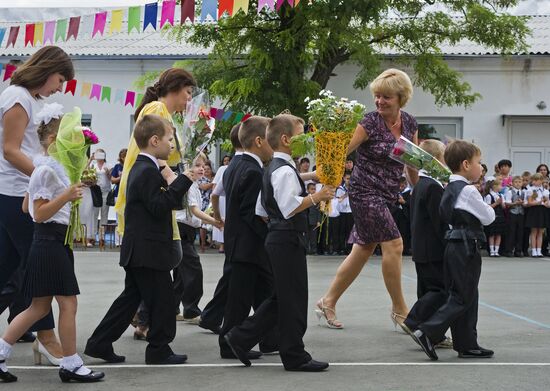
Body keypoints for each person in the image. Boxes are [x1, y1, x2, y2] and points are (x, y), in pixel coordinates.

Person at [0, 108, 104, 383]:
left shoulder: (44, 169)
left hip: (48, 242)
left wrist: (61, 192)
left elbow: (26, 206)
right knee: (67, 304)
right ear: (55, 139)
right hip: (49, 241)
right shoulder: (46, 170)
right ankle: (71, 363)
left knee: (38, 308)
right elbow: (40, 213)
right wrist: (66, 196)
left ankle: (0, 354)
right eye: (70, 137)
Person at [224, 114, 334, 372]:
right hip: (286, 238)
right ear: (286, 139)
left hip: (277, 237)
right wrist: (318, 196)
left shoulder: (272, 167)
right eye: (301, 133)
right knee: (293, 299)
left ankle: (241, 338)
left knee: (282, 298)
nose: (305, 139)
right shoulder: (284, 170)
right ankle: (294, 354)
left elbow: (262, 210)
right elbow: (289, 207)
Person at [84, 115, 196, 365]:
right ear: (154, 140)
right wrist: (184, 180)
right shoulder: (145, 170)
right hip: (148, 250)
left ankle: (99, 342)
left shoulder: (144, 167)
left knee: (130, 300)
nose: (172, 145)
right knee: (164, 300)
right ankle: (159, 349)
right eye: (169, 139)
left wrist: (174, 180)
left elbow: (167, 202)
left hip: (142, 249)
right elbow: (160, 206)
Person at [316, 68, 417, 330]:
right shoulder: (369, 122)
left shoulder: (410, 123)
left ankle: (328, 301)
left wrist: (419, 190)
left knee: (363, 249)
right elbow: (341, 152)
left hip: (389, 193)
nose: (380, 102)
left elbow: (413, 161)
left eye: (386, 97)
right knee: (394, 244)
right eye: (377, 96)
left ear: (401, 97)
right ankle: (400, 310)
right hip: (364, 191)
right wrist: (325, 174)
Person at [0, 45, 73, 366]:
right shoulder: (17, 98)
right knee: (38, 267)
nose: (60, 87)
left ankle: (26, 332)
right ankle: (46, 337)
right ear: (46, 70)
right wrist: (47, 177)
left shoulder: (24, 98)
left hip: (15, 194)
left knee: (8, 270)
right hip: (16, 195)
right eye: (59, 79)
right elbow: (10, 150)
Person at [114, 67, 197, 337]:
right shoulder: (158, 110)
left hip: (148, 190)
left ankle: (142, 318)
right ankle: (146, 318)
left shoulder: (161, 111)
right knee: (166, 258)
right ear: (174, 88)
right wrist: (180, 180)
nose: (188, 100)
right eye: (187, 93)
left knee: (153, 266)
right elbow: (158, 156)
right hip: (149, 192)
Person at [410, 140, 495, 361]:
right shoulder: (468, 190)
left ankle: (467, 343)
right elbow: (488, 217)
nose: (481, 167)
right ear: (466, 164)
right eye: (479, 162)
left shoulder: (448, 186)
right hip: (466, 244)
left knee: (468, 295)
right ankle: (428, 332)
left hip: (454, 244)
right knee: (462, 297)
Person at [218, 116, 276, 361]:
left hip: (237, 243)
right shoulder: (252, 171)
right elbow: (250, 213)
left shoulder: (237, 164)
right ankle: (229, 342)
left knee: (262, 292)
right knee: (240, 300)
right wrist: (269, 235)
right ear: (259, 141)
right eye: (271, 139)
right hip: (248, 245)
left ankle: (269, 338)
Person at [402, 139, 452, 348]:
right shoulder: (433, 187)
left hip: (421, 248)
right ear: (437, 159)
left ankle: (432, 333)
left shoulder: (420, 185)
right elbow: (438, 222)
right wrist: (448, 242)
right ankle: (414, 321)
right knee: (441, 290)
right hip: (433, 249)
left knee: (426, 290)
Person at [199, 124, 244, 334]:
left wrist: (217, 216)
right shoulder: (242, 165)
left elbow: (216, 194)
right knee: (235, 276)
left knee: (231, 276)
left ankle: (210, 316)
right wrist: (216, 217)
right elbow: (215, 194)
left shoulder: (228, 168)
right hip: (241, 228)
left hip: (231, 224)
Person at [174, 154, 223, 324]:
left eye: (204, 165)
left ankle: (174, 307)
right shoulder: (189, 185)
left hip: (186, 229)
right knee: (193, 269)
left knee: (181, 273)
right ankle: (191, 310)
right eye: (197, 165)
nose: (202, 168)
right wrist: (216, 222)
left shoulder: (194, 185)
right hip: (182, 228)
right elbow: (194, 211)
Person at [523, 173, 549, 258]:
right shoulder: (530, 190)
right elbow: (529, 202)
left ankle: (539, 250)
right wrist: (538, 202)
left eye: (536, 180)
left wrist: (546, 204)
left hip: (542, 211)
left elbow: (547, 202)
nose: (534, 182)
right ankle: (534, 250)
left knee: (540, 232)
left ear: (541, 181)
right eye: (533, 180)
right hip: (534, 210)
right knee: (534, 231)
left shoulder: (545, 191)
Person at [90, 149, 111, 246]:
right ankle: (93, 237)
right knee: (94, 214)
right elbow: (87, 174)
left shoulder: (108, 166)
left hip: (105, 191)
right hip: (96, 192)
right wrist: (90, 159)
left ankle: (102, 237)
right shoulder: (93, 165)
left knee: (104, 214)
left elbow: (112, 179)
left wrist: (108, 173)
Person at [483, 178, 506, 257]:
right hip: (493, 216)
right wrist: (496, 203)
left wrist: (502, 203)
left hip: (500, 216)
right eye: (500, 185)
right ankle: (492, 250)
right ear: (494, 186)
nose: (501, 187)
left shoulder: (500, 195)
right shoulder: (489, 196)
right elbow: (488, 206)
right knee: (492, 234)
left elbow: (503, 207)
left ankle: (496, 250)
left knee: (498, 234)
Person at [504, 176, 525, 257]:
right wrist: (515, 203)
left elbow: (525, 203)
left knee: (520, 232)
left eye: (519, 182)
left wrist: (522, 203)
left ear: (522, 183)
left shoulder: (523, 192)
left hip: (521, 213)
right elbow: (507, 203)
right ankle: (509, 250)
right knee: (511, 232)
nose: (518, 183)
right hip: (512, 213)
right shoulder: (510, 192)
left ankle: (518, 250)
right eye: (516, 182)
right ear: (512, 183)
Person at [390, 176, 412, 255]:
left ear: (406, 185)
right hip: (395, 214)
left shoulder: (409, 193)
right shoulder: (394, 193)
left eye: (403, 186)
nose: (401, 188)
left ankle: (405, 249)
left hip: (404, 215)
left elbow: (411, 204)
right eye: (399, 186)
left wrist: (404, 202)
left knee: (404, 232)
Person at [110, 148, 127, 245]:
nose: (124, 158)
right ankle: (118, 241)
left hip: (129, 194)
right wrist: (121, 177)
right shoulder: (118, 166)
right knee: (119, 217)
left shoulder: (132, 165)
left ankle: (126, 240)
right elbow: (112, 180)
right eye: (123, 156)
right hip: (118, 194)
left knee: (128, 217)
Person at [198, 161, 215, 252]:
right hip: (204, 202)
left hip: (213, 202)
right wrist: (213, 183)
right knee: (203, 224)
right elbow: (203, 187)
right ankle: (203, 244)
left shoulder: (214, 178)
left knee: (213, 221)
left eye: (208, 169)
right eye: (205, 169)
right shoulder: (201, 178)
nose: (206, 170)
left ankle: (212, 242)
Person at [335, 172, 353, 255]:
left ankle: (349, 248)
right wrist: (345, 195)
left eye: (350, 179)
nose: (348, 181)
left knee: (350, 231)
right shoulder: (340, 189)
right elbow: (338, 200)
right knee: (342, 231)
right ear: (344, 178)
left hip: (350, 212)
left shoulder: (354, 189)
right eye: (347, 179)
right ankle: (341, 248)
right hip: (342, 212)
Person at [306, 183, 321, 255]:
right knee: (306, 236)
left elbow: (318, 211)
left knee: (313, 236)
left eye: (314, 189)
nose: (313, 190)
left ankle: (314, 250)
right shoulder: (305, 198)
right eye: (312, 189)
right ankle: (306, 250)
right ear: (308, 190)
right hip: (306, 220)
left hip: (314, 220)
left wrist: (318, 220)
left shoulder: (316, 199)